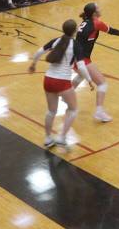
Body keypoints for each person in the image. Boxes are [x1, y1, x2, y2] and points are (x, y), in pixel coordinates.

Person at [28, 19, 92, 149]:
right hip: (62, 82)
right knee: (73, 109)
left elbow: (39, 52)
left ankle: (47, 138)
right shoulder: (76, 45)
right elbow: (81, 66)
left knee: (51, 111)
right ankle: (62, 137)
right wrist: (89, 80)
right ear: (74, 31)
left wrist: (33, 65)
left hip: (48, 80)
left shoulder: (56, 41)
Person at [71, 2, 119, 123]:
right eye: (98, 8)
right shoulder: (96, 23)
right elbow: (110, 30)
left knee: (81, 75)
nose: (100, 8)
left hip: (75, 56)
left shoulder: (84, 22)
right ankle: (99, 112)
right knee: (102, 84)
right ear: (94, 13)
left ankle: (65, 94)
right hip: (82, 59)